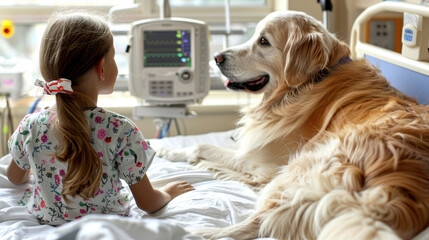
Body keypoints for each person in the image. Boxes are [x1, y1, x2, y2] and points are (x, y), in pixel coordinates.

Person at [6, 11, 194, 225]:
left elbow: (15, 177)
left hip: (45, 220)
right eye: (113, 56)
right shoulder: (121, 130)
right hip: (109, 225)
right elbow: (148, 203)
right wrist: (168, 193)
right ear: (101, 67)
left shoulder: (30, 126)